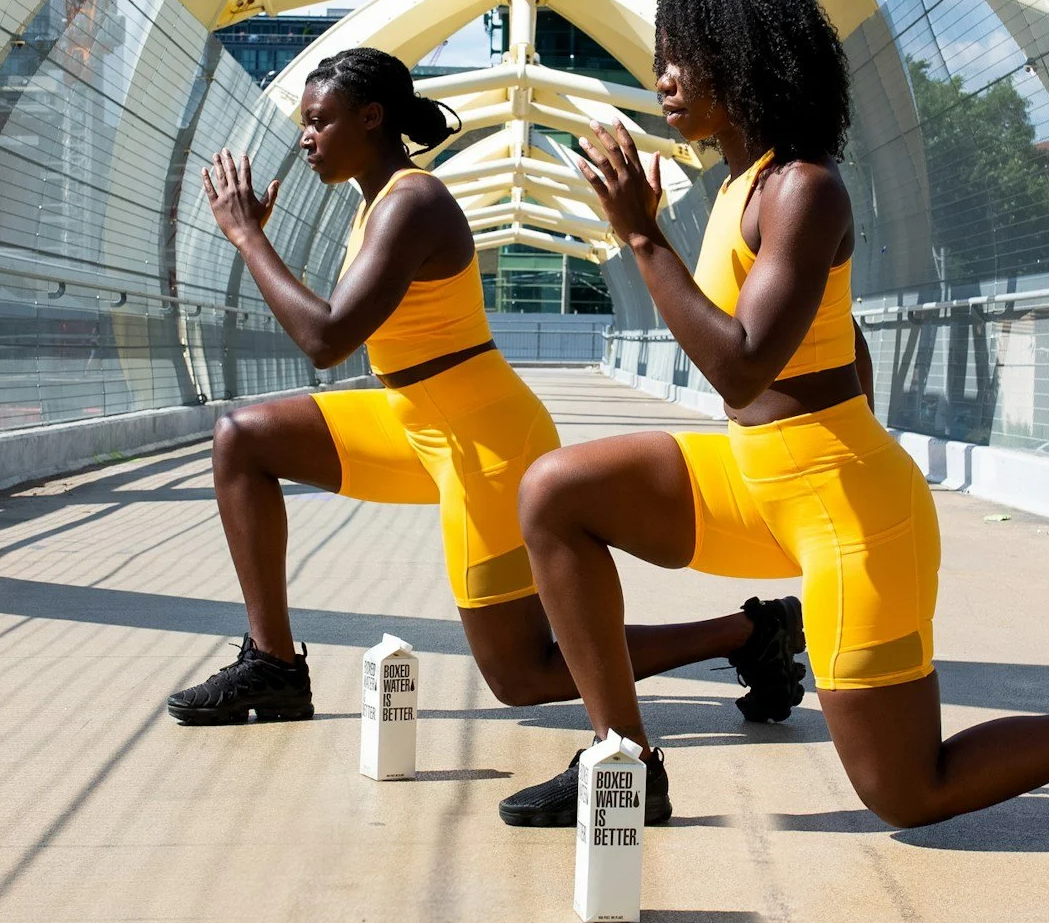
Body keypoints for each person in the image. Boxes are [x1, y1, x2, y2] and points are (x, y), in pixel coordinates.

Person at [507, 0, 1049, 831]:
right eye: (662, 56)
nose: (663, 77)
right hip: (756, 476)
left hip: (844, 508)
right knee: (554, 490)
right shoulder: (740, 184)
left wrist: (638, 234)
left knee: (906, 791)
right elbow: (842, 344)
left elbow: (740, 366)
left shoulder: (806, 187)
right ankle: (623, 761)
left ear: (742, 61)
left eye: (684, 56)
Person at [169, 45, 810, 794]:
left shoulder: (414, 202)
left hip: (483, 442)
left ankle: (749, 632)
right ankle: (273, 665)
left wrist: (249, 236)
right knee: (241, 440)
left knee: (521, 673)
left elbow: (326, 337)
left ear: (370, 119)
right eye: (305, 124)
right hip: (413, 419)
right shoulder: (373, 200)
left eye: (320, 122)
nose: (306, 137)